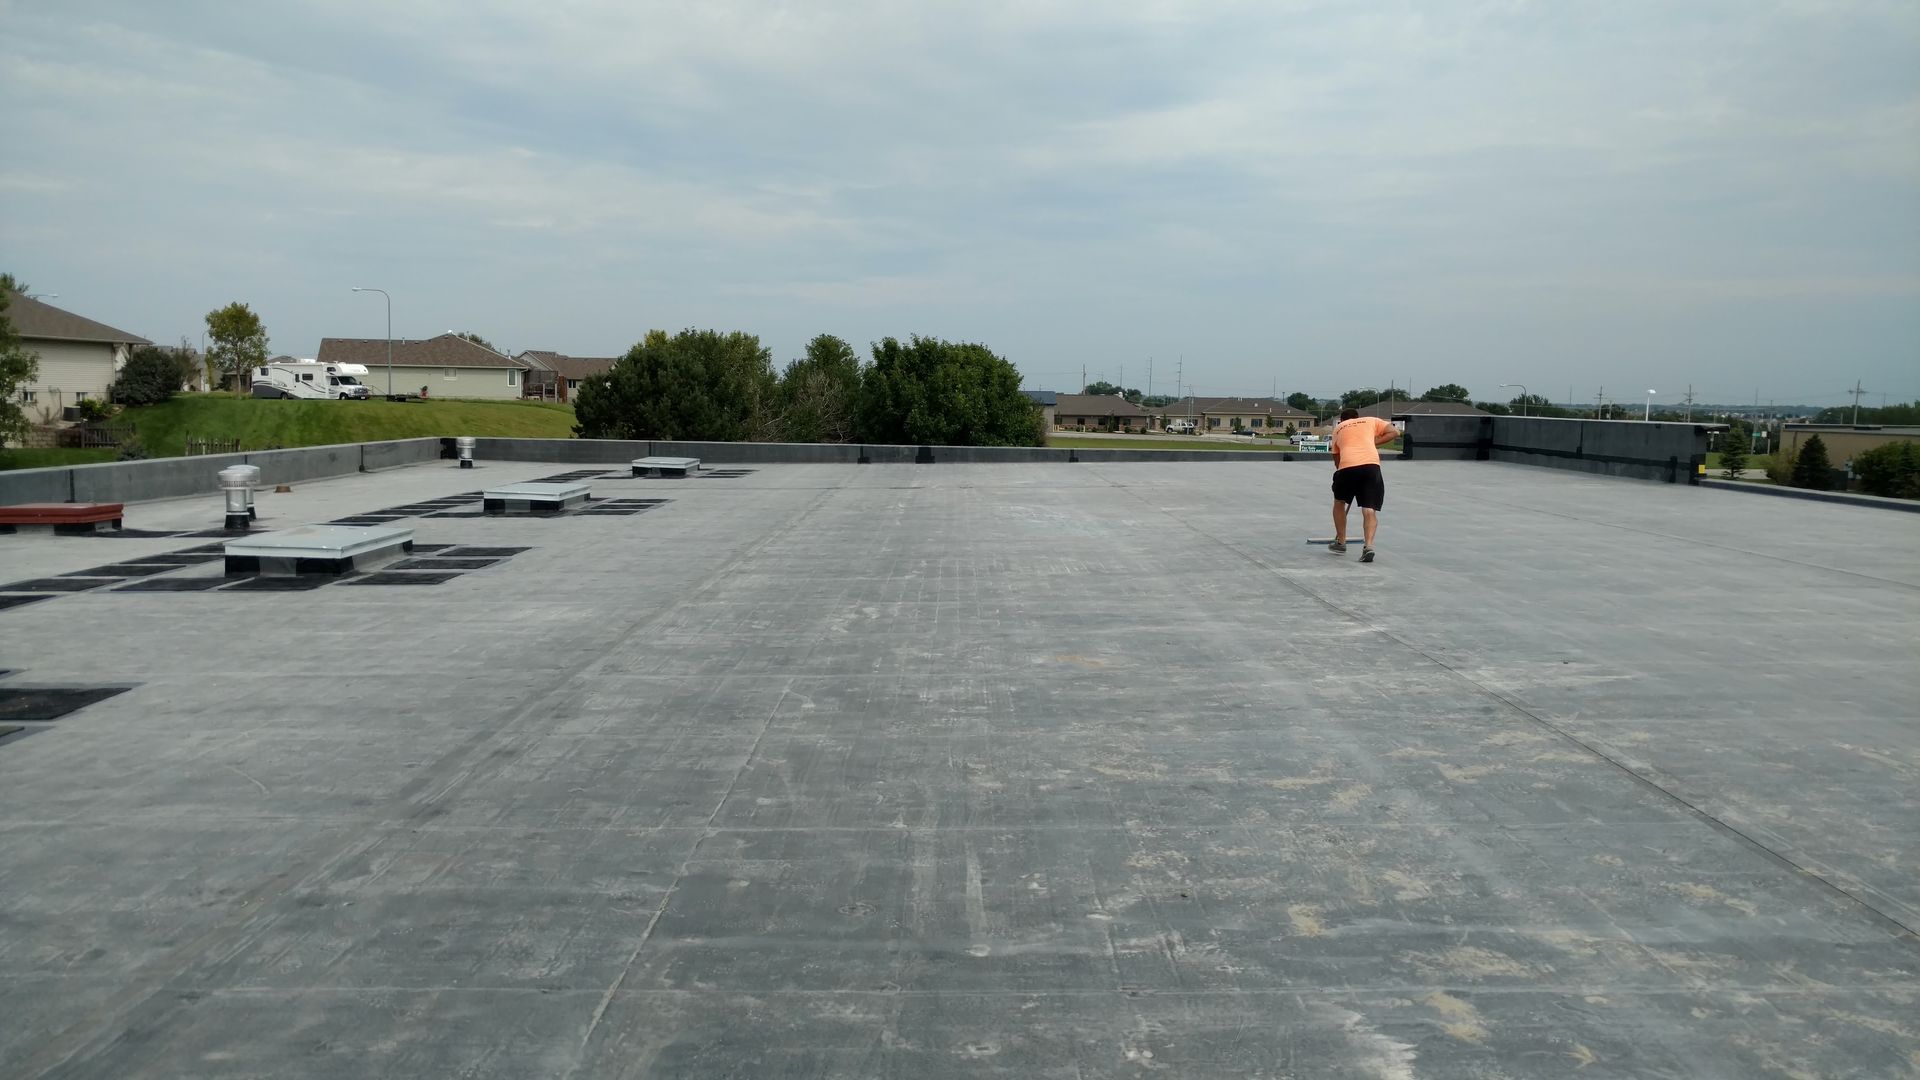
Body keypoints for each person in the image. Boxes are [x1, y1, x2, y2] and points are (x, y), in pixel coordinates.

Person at [1328, 407, 1399, 562]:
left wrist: (1342, 476)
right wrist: (1373, 443)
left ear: (1342, 420)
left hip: (1347, 466)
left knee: (1339, 502)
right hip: (1371, 467)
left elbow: (1337, 459)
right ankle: (1368, 546)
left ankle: (1341, 542)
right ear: (1357, 417)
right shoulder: (1371, 421)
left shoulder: (1338, 428)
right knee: (1369, 509)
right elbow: (1394, 432)